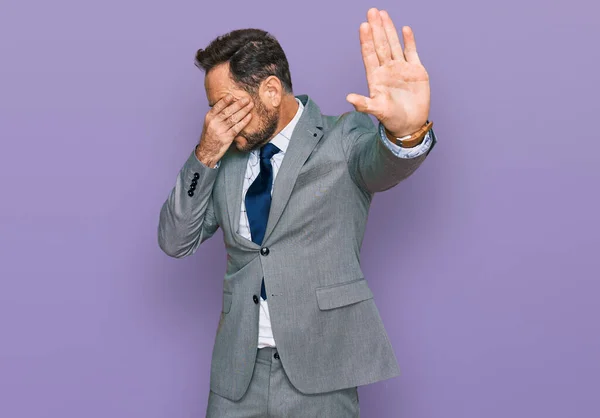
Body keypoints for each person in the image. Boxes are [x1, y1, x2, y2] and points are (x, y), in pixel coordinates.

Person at [158, 7, 437, 417]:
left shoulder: (344, 136)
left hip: (320, 372)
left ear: (271, 90)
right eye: (213, 109)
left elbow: (383, 165)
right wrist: (206, 153)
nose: (219, 119)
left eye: (228, 105)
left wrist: (406, 131)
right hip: (236, 378)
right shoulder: (223, 157)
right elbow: (175, 241)